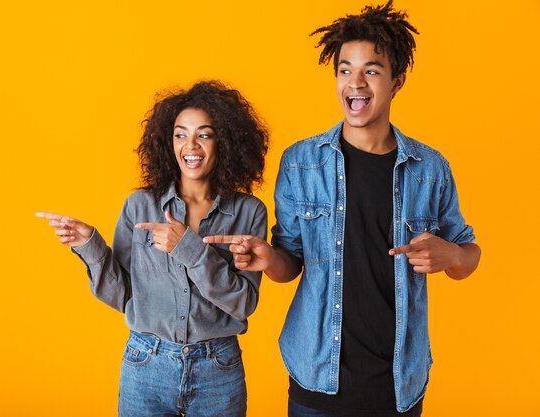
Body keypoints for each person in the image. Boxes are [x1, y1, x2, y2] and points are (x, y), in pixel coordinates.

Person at [203, 2, 481, 416]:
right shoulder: (301, 162)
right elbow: (290, 263)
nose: (356, 82)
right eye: (345, 70)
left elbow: (467, 256)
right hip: (317, 374)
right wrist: (267, 257)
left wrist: (452, 255)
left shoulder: (431, 169)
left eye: (371, 70)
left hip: (399, 381)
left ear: (396, 81)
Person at [36, 80, 268, 417]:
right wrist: (89, 244)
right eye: (180, 134)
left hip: (218, 368)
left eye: (204, 134)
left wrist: (189, 249)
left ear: (225, 141)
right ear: (167, 141)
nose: (191, 145)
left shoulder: (249, 212)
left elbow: (243, 304)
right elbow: (124, 296)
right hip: (146, 364)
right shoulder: (139, 206)